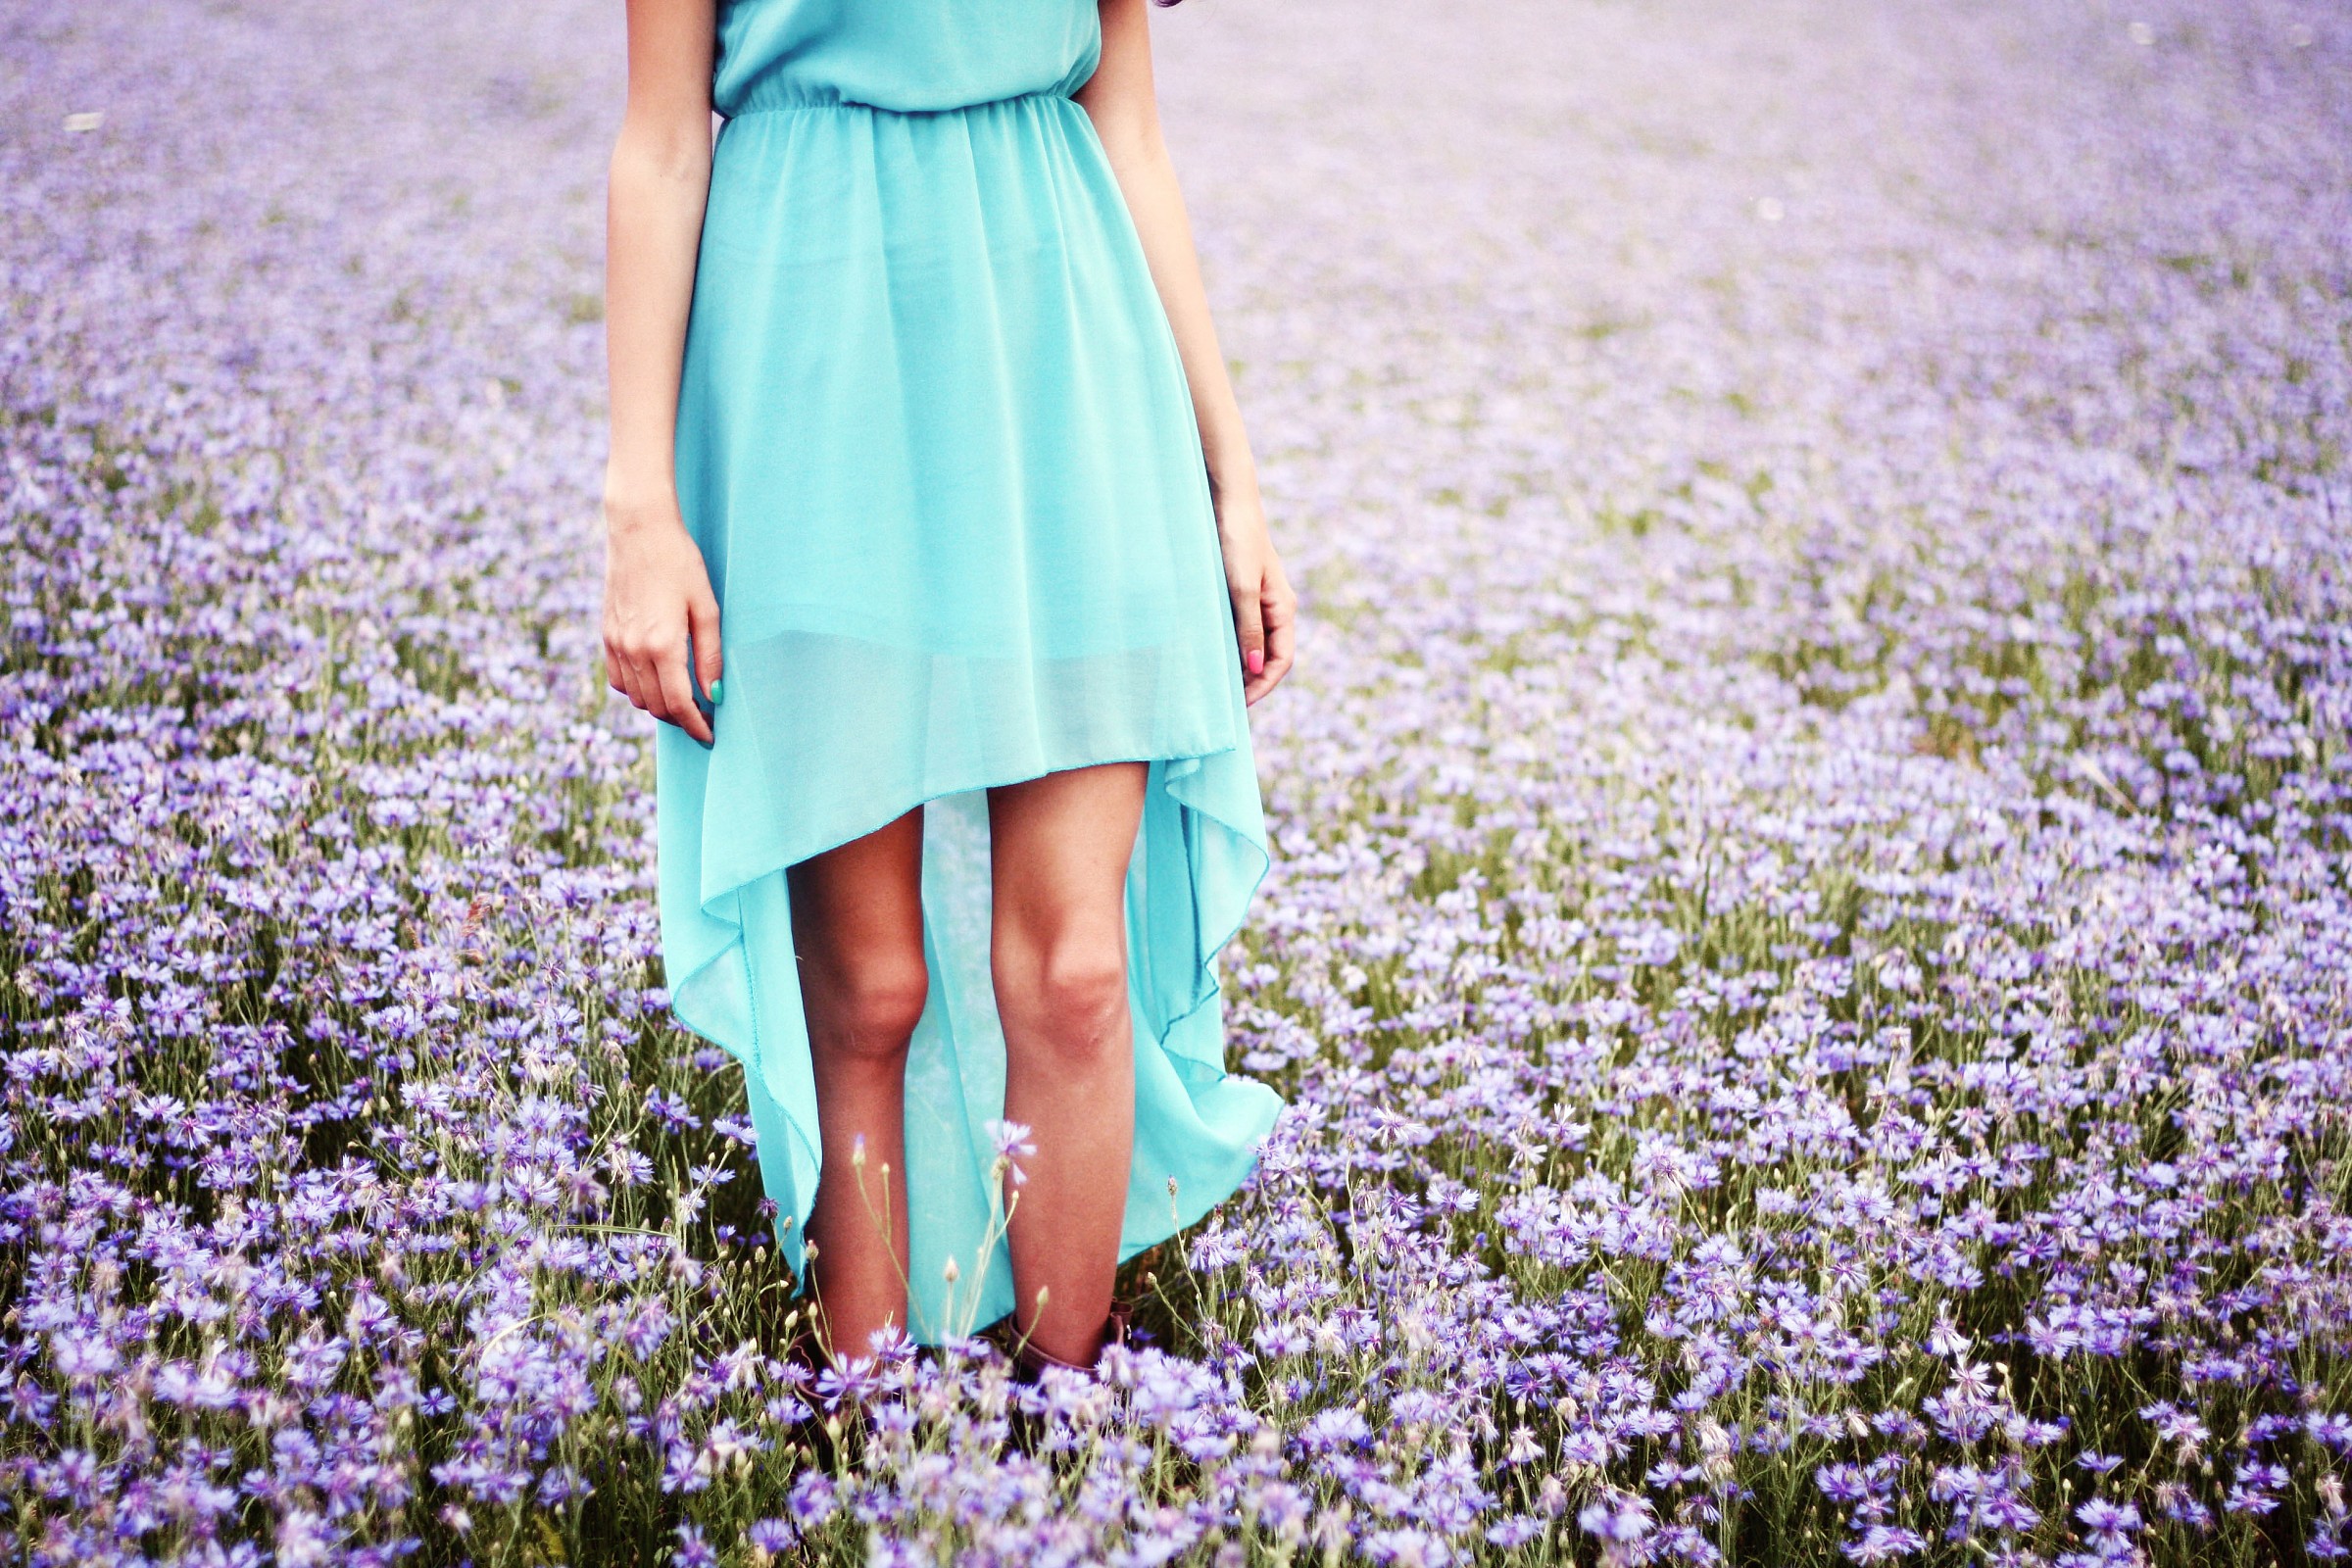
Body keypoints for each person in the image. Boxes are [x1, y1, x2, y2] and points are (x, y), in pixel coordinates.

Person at [600, 0, 1295, 1373]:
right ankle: (867, 1447)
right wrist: (640, 511)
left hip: (1069, 348)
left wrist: (1234, 473)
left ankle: (1068, 1433)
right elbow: (663, 143)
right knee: (866, 986)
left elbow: (1131, 130)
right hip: (811, 346)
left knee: (1079, 974)